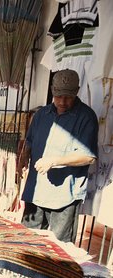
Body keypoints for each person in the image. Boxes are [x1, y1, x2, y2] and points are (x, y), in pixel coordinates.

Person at [18, 69, 98, 242]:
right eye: (58, 96)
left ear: (76, 92)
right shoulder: (41, 115)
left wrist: (54, 161)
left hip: (64, 196)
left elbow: (89, 156)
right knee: (27, 242)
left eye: (68, 97)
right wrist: (24, 157)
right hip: (36, 191)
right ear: (52, 91)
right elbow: (30, 141)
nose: (62, 101)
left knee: (59, 250)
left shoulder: (86, 117)